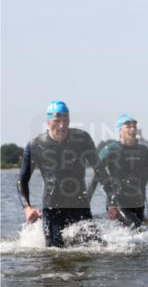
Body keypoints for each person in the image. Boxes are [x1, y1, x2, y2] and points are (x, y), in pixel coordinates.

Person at [16, 101, 101, 247]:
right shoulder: (35, 145)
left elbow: (100, 170)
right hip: (52, 208)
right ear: (48, 122)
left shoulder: (82, 139)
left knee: (94, 248)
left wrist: (109, 201)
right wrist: (27, 207)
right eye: (57, 121)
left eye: (65, 120)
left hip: (80, 206)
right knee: (53, 251)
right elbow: (22, 180)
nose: (62, 126)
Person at [90, 114, 148, 228]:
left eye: (134, 126)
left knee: (137, 237)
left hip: (138, 203)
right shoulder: (111, 150)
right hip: (117, 203)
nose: (132, 129)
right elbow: (96, 176)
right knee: (136, 228)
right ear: (120, 130)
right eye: (128, 126)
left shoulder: (143, 150)